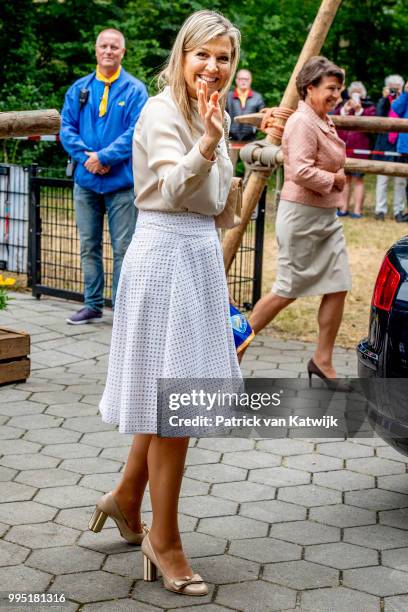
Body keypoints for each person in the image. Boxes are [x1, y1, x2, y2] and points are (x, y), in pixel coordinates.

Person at [89, 10, 241, 596]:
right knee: (174, 407)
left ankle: (128, 497)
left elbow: (217, 200)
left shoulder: (213, 113)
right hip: (162, 256)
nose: (213, 66)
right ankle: (165, 539)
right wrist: (208, 141)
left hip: (197, 258)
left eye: (224, 57)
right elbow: (175, 190)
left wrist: (227, 142)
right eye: (203, 54)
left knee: (169, 395)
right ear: (182, 56)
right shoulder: (157, 112)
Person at [242, 56, 351, 382]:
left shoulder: (322, 118)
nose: (337, 96)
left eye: (339, 89)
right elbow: (299, 170)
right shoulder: (302, 122)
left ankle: (323, 360)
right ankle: (229, 348)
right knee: (286, 289)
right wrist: (335, 180)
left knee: (339, 284)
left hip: (325, 219)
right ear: (309, 88)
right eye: (331, 89)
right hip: (302, 218)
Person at [60, 29, 148, 324]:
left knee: (124, 249)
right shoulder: (79, 88)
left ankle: (121, 309)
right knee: (89, 245)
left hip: (121, 183)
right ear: (95, 50)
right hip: (86, 181)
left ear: (123, 52)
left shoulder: (135, 91)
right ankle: (92, 304)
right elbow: (66, 127)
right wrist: (88, 158)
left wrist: (105, 157)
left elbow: (136, 131)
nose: (108, 51)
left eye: (114, 47)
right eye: (103, 46)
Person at [335, 81, 376, 218]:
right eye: (353, 92)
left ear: (363, 94)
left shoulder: (369, 107)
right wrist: (344, 111)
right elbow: (333, 118)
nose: (356, 95)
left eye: (358, 92)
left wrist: (359, 110)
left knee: (358, 180)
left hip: (360, 150)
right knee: (344, 179)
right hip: (343, 149)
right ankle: (343, 208)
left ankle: (358, 210)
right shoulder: (344, 105)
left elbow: (373, 124)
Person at [374, 75, 407, 222]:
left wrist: (404, 94)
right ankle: (380, 210)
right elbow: (378, 116)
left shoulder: (404, 99)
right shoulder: (384, 102)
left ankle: (398, 210)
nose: (394, 90)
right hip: (384, 144)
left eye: (397, 87)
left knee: (400, 180)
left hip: (399, 145)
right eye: (392, 87)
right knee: (382, 179)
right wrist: (384, 98)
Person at [226, 69, 264, 176]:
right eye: (241, 79)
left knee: (250, 171)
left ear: (250, 80)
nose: (243, 81)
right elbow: (222, 116)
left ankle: (247, 192)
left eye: (246, 79)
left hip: (250, 139)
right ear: (236, 81)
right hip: (230, 139)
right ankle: (229, 192)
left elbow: (262, 116)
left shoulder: (257, 97)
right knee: (228, 168)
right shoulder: (228, 96)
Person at [392, 79, 408, 205]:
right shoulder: (406, 97)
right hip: (405, 147)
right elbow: (396, 108)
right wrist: (405, 93)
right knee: (402, 182)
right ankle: (401, 210)